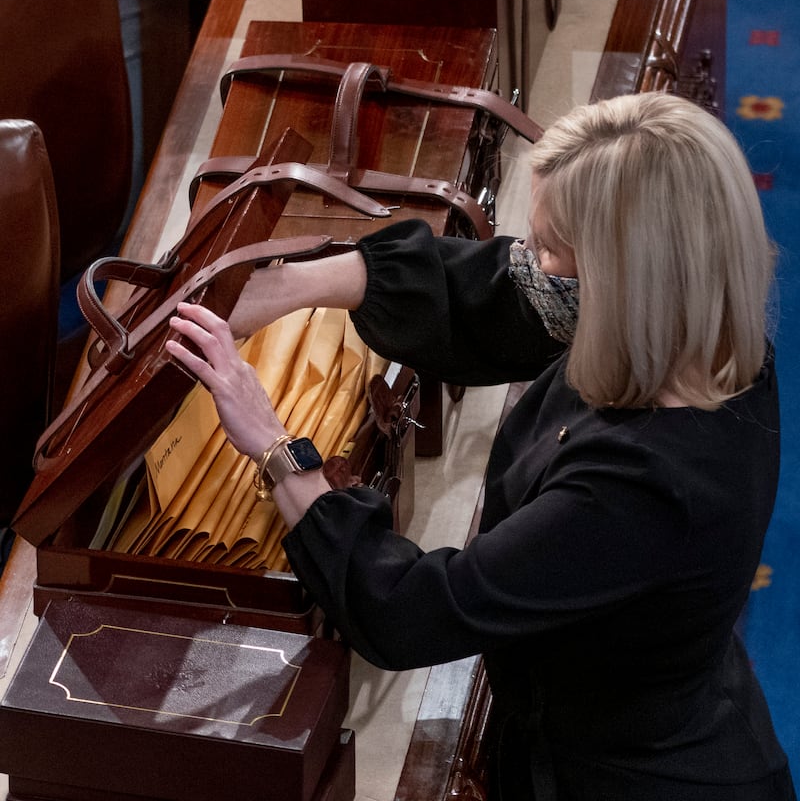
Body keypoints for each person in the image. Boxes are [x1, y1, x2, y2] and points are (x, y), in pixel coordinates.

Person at [166, 91, 796, 801]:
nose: (530, 259)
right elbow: (502, 293)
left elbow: (414, 611)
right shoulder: (692, 327)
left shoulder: (640, 487)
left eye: (552, 246)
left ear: (623, 283)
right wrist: (293, 285)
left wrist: (277, 446)